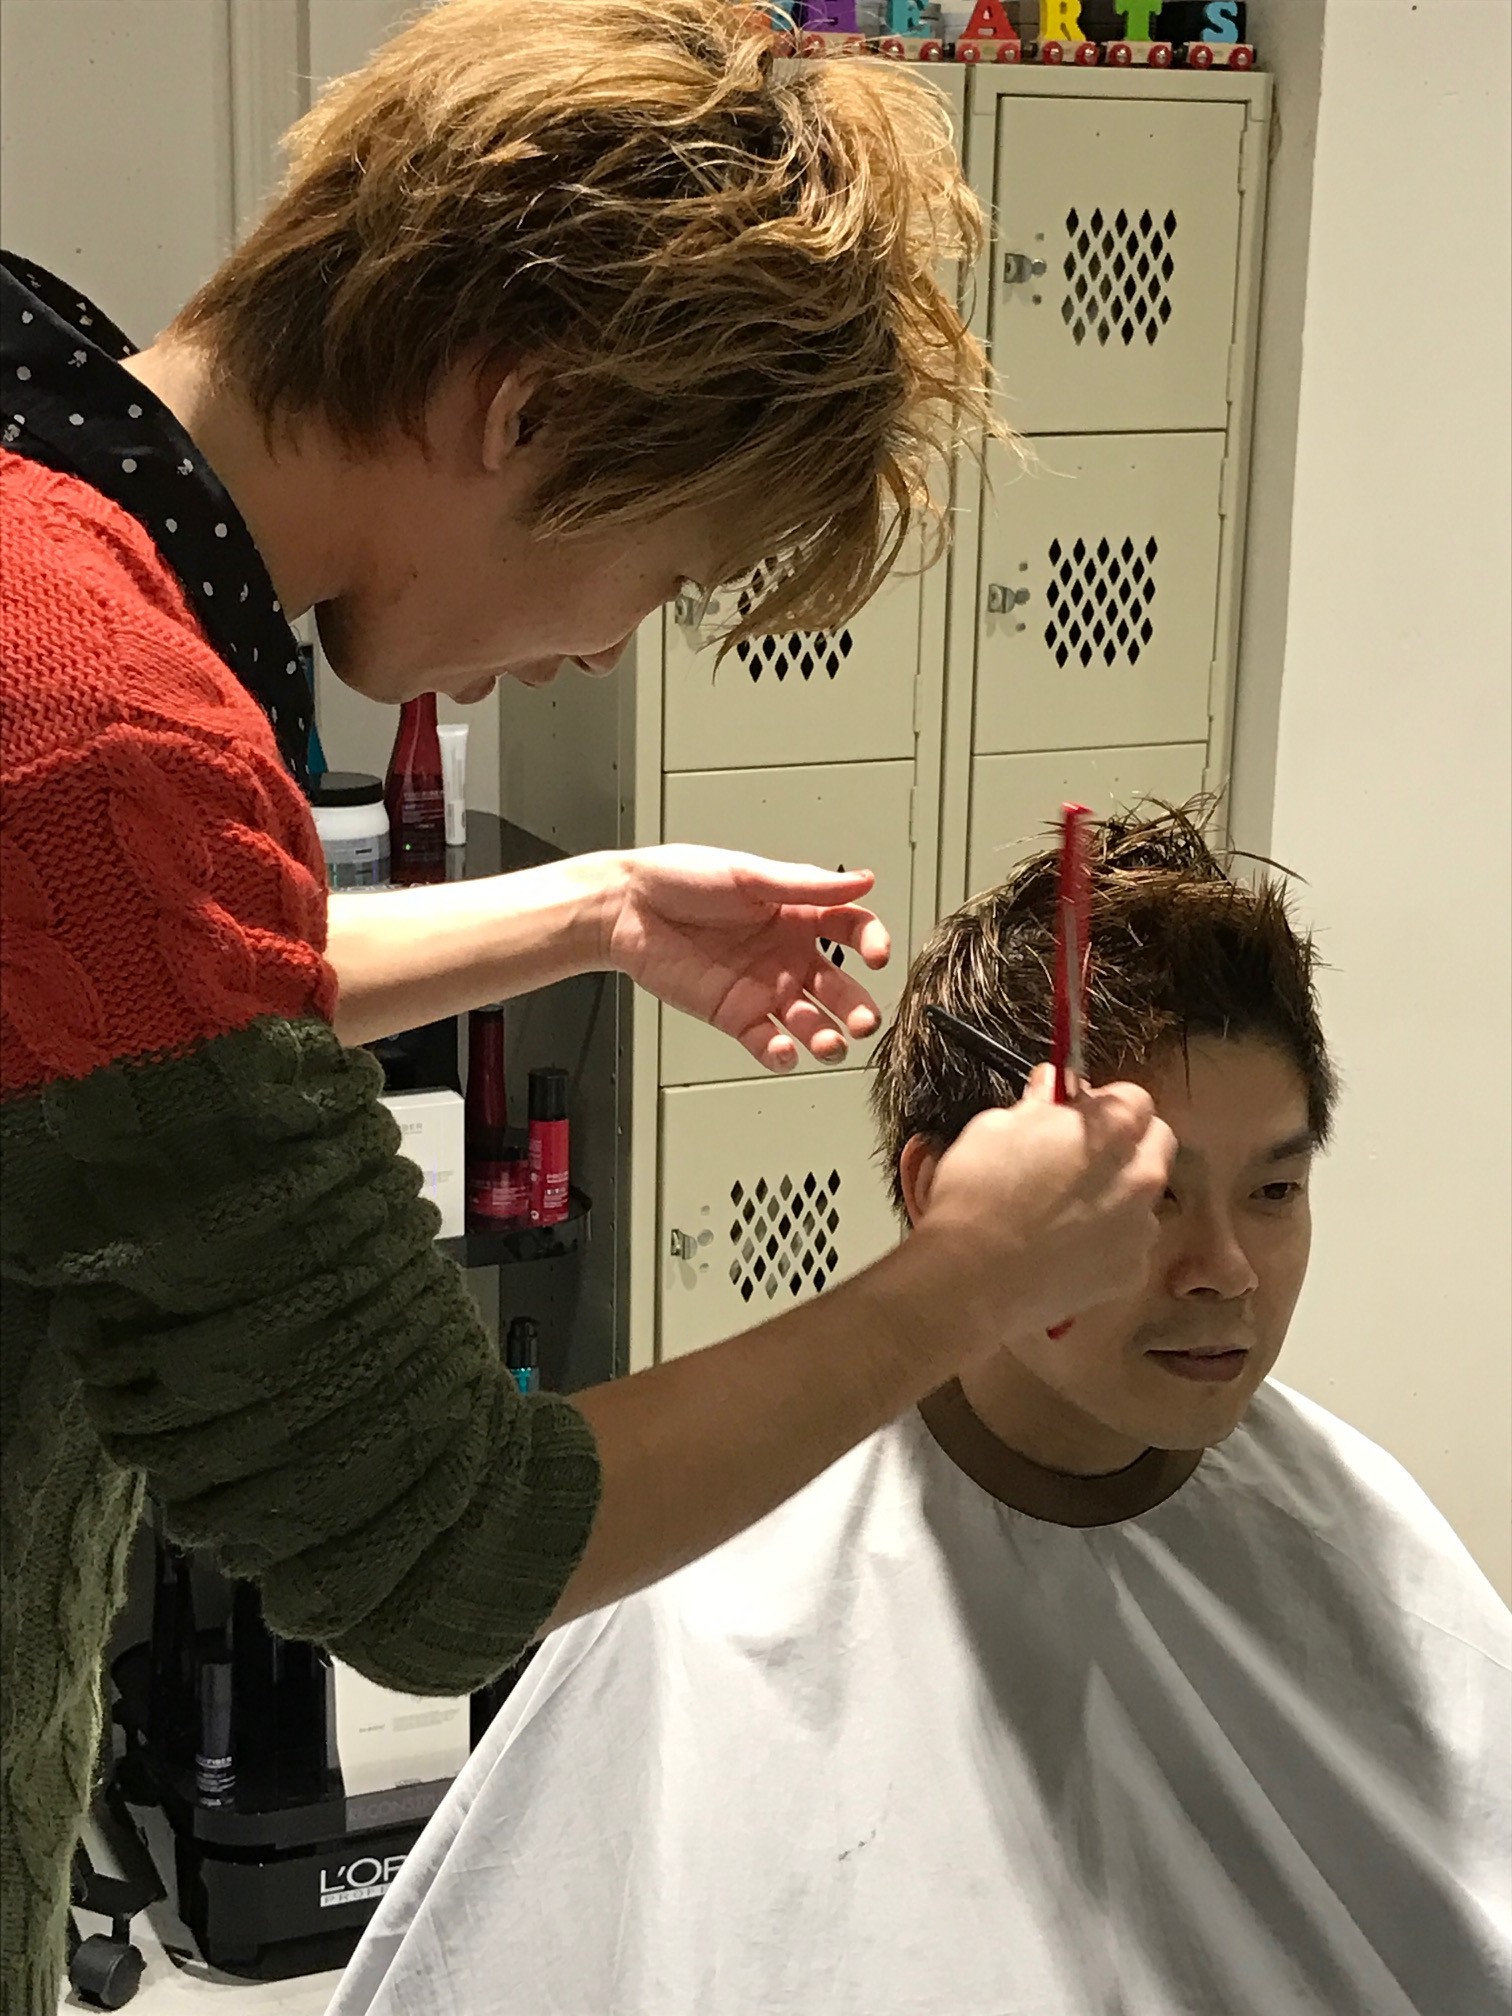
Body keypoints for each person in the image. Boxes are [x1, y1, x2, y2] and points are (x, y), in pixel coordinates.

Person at [0, 3, 1179, 2005]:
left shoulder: (45, 454)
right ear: (527, 408)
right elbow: (447, 1545)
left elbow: (109, 1029)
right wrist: (964, 1283)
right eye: (669, 572)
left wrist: (597, 911)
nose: (606, 651)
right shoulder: (98, 730)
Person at [328, 804, 1512, 2016]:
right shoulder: (719, 1595)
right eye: (1149, 1192)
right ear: (946, 1191)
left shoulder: (1363, 1543)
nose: (1227, 1270)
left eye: (1276, 1189)